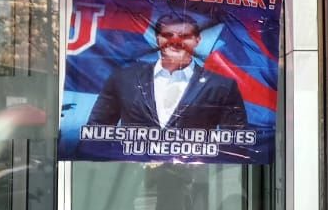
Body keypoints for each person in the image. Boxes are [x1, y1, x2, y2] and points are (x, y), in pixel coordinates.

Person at [86, 13, 247, 131]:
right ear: (157, 39)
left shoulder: (222, 86)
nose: (175, 42)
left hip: (197, 174)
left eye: (184, 36)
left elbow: (236, 141)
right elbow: (96, 131)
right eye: (167, 35)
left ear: (197, 40)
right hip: (131, 171)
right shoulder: (123, 79)